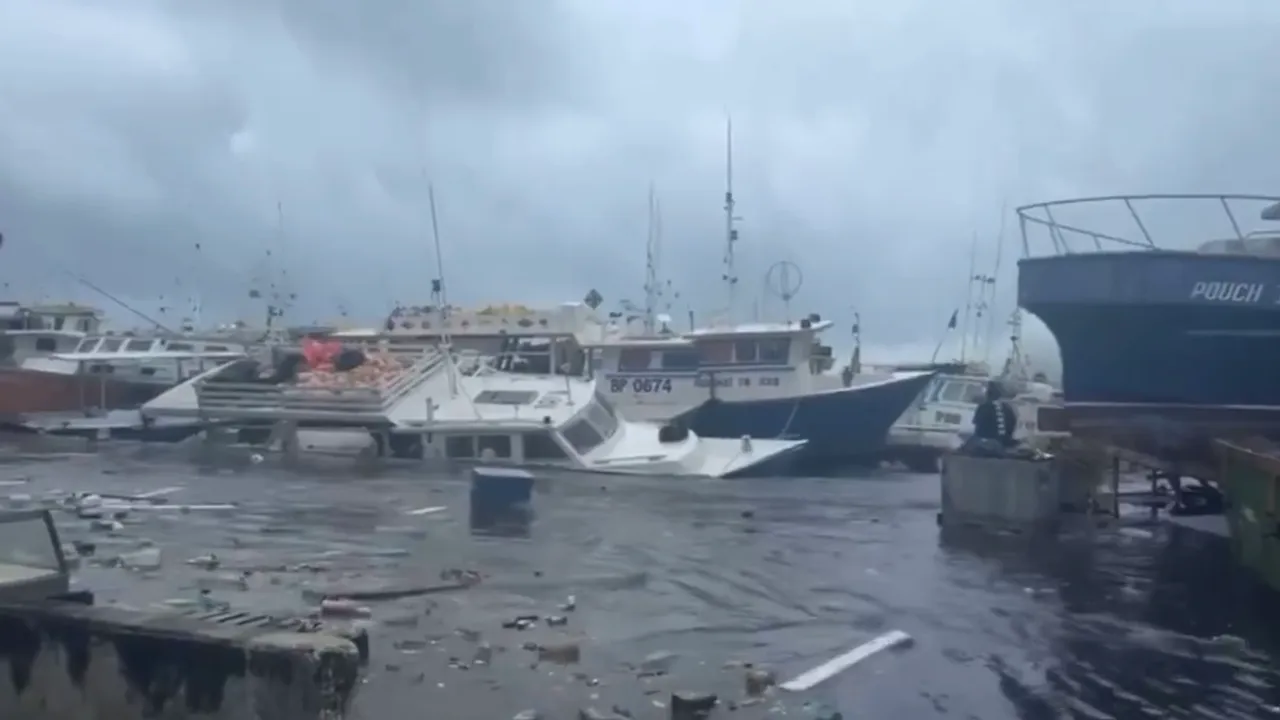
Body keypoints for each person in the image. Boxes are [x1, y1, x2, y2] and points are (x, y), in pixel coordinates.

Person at [970, 380, 1018, 448]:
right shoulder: (1007, 408)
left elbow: (977, 424)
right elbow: (1013, 423)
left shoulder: (984, 407)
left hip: (987, 442)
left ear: (988, 394)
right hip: (1005, 442)